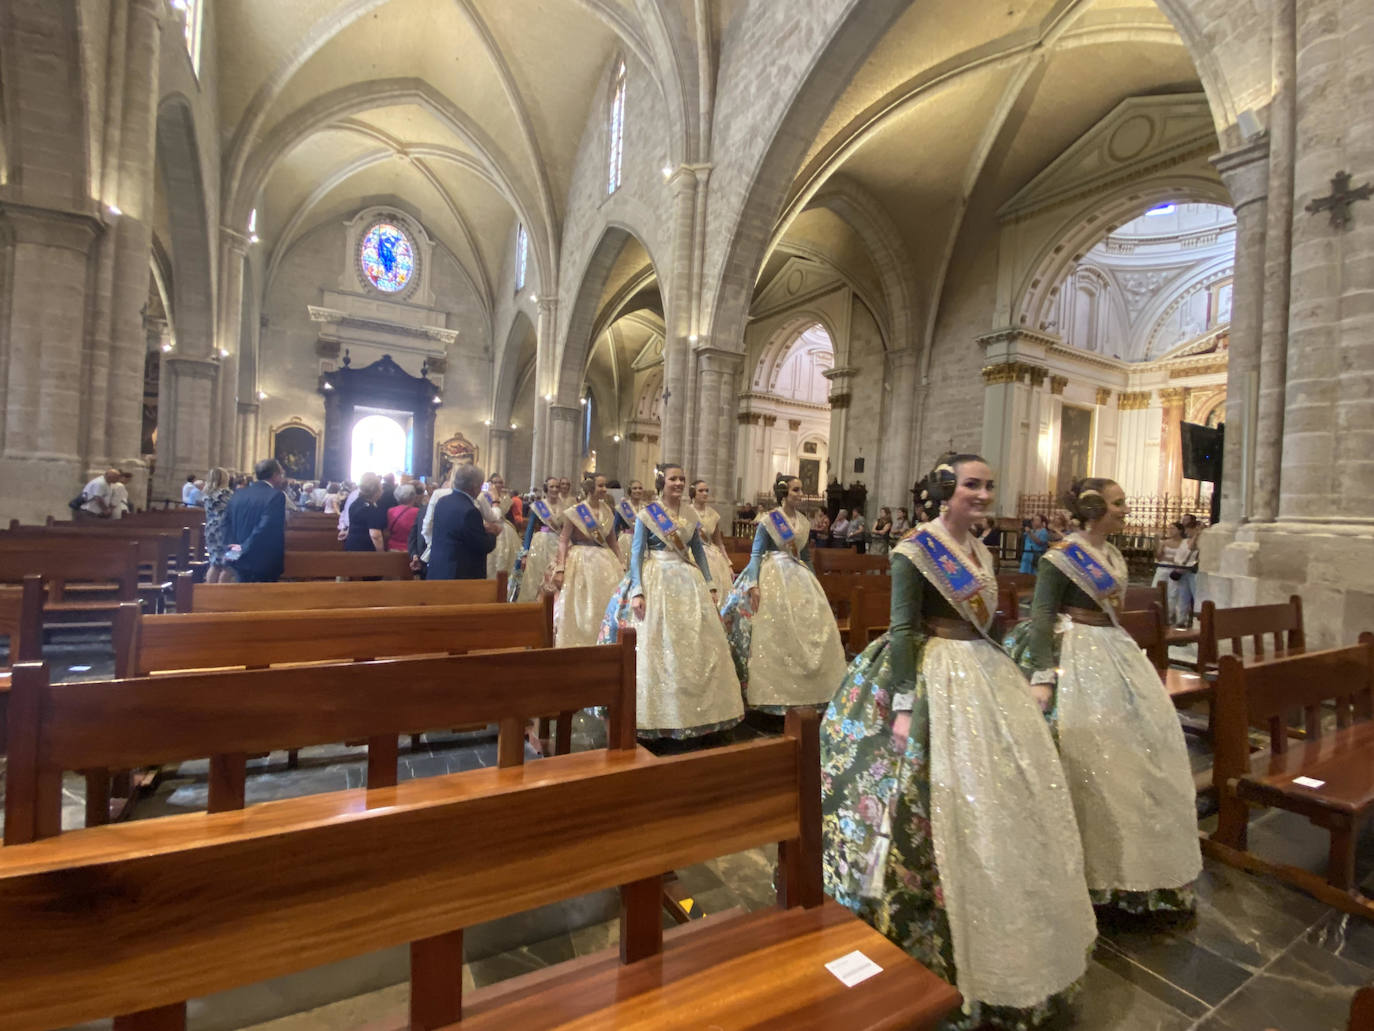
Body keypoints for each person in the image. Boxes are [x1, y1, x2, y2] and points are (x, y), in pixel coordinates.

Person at [822, 453, 1095, 1029]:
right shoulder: (914, 549)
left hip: (983, 676)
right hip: (928, 678)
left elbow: (985, 623)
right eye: (972, 484)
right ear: (945, 490)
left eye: (990, 485)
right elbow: (900, 629)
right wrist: (900, 705)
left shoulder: (983, 550)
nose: (984, 494)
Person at [1011, 477, 1201, 917]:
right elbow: (1041, 616)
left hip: (1113, 650)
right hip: (1074, 655)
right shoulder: (1060, 558)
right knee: (1089, 755)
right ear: (1095, 509)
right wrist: (1041, 677)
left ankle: (1136, 867)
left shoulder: (1112, 553)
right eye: (1118, 503)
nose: (1125, 509)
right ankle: (1086, 870)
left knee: (1141, 750)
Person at [599, 463, 743, 740]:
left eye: (682, 479)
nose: (678, 483)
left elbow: (698, 552)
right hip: (656, 579)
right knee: (659, 646)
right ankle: (657, 716)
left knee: (695, 644)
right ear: (662, 482)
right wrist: (638, 591)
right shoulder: (647, 514)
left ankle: (700, 714)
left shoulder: (689, 514)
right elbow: (637, 554)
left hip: (688, 580)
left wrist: (711, 583)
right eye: (673, 479)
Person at [721, 475, 846, 713]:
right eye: (796, 490)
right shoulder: (770, 520)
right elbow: (756, 554)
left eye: (801, 489)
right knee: (774, 630)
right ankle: (773, 694)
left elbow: (805, 556)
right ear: (784, 493)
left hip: (799, 577)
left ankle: (811, 691)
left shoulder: (804, 521)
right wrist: (754, 584)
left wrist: (814, 582)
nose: (800, 494)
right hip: (773, 574)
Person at [550, 474, 623, 646]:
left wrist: (622, 563)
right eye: (601, 486)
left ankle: (604, 640)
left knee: (605, 603)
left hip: (604, 562)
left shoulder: (608, 511)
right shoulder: (575, 512)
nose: (605, 489)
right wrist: (560, 567)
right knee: (580, 607)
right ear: (590, 488)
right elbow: (563, 540)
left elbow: (613, 541)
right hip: (581, 561)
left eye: (605, 486)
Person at [427, 463, 500, 580]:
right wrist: (493, 533)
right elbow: (483, 545)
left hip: (438, 571)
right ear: (475, 486)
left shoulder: (442, 502)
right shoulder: (470, 511)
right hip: (459, 577)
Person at [223, 459, 287, 583]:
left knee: (241, 596)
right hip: (264, 560)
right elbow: (265, 527)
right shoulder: (275, 496)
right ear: (275, 475)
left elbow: (226, 522)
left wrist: (233, 547)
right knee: (263, 600)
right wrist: (243, 547)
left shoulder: (238, 494)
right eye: (281, 474)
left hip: (239, 558)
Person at [508, 476, 565, 602]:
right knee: (537, 575)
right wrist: (525, 553)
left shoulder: (565, 506)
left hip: (558, 543)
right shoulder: (538, 506)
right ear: (546, 489)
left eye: (557, 486)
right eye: (552, 486)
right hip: (541, 543)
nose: (555, 489)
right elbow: (529, 530)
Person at [689, 479, 734, 605]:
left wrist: (728, 563)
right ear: (693, 493)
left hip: (714, 554)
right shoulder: (686, 512)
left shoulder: (713, 514)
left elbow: (719, 542)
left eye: (707, 491)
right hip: (693, 554)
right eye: (701, 490)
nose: (705, 493)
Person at [478, 473, 521, 580]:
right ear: (490, 483)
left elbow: (508, 515)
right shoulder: (483, 496)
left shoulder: (506, 498)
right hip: (490, 527)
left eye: (500, 482)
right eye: (495, 482)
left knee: (506, 559)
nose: (498, 484)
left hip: (505, 529)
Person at [202, 467, 235, 583]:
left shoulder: (207, 494)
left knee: (215, 563)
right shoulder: (225, 493)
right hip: (226, 530)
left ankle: (210, 593)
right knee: (230, 564)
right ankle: (220, 592)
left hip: (211, 530)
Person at [343, 472, 387, 552]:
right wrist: (381, 554)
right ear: (377, 491)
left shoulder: (355, 503)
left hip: (351, 546)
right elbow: (375, 535)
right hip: (365, 549)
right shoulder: (371, 508)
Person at [613, 479, 645, 560]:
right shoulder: (622, 507)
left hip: (642, 540)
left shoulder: (646, 508)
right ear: (629, 491)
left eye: (640, 488)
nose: (637, 490)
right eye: (634, 488)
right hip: (626, 540)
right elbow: (615, 527)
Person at [385, 483, 422, 552]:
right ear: (413, 496)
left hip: (392, 549)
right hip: (411, 549)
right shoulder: (418, 512)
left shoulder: (390, 511)